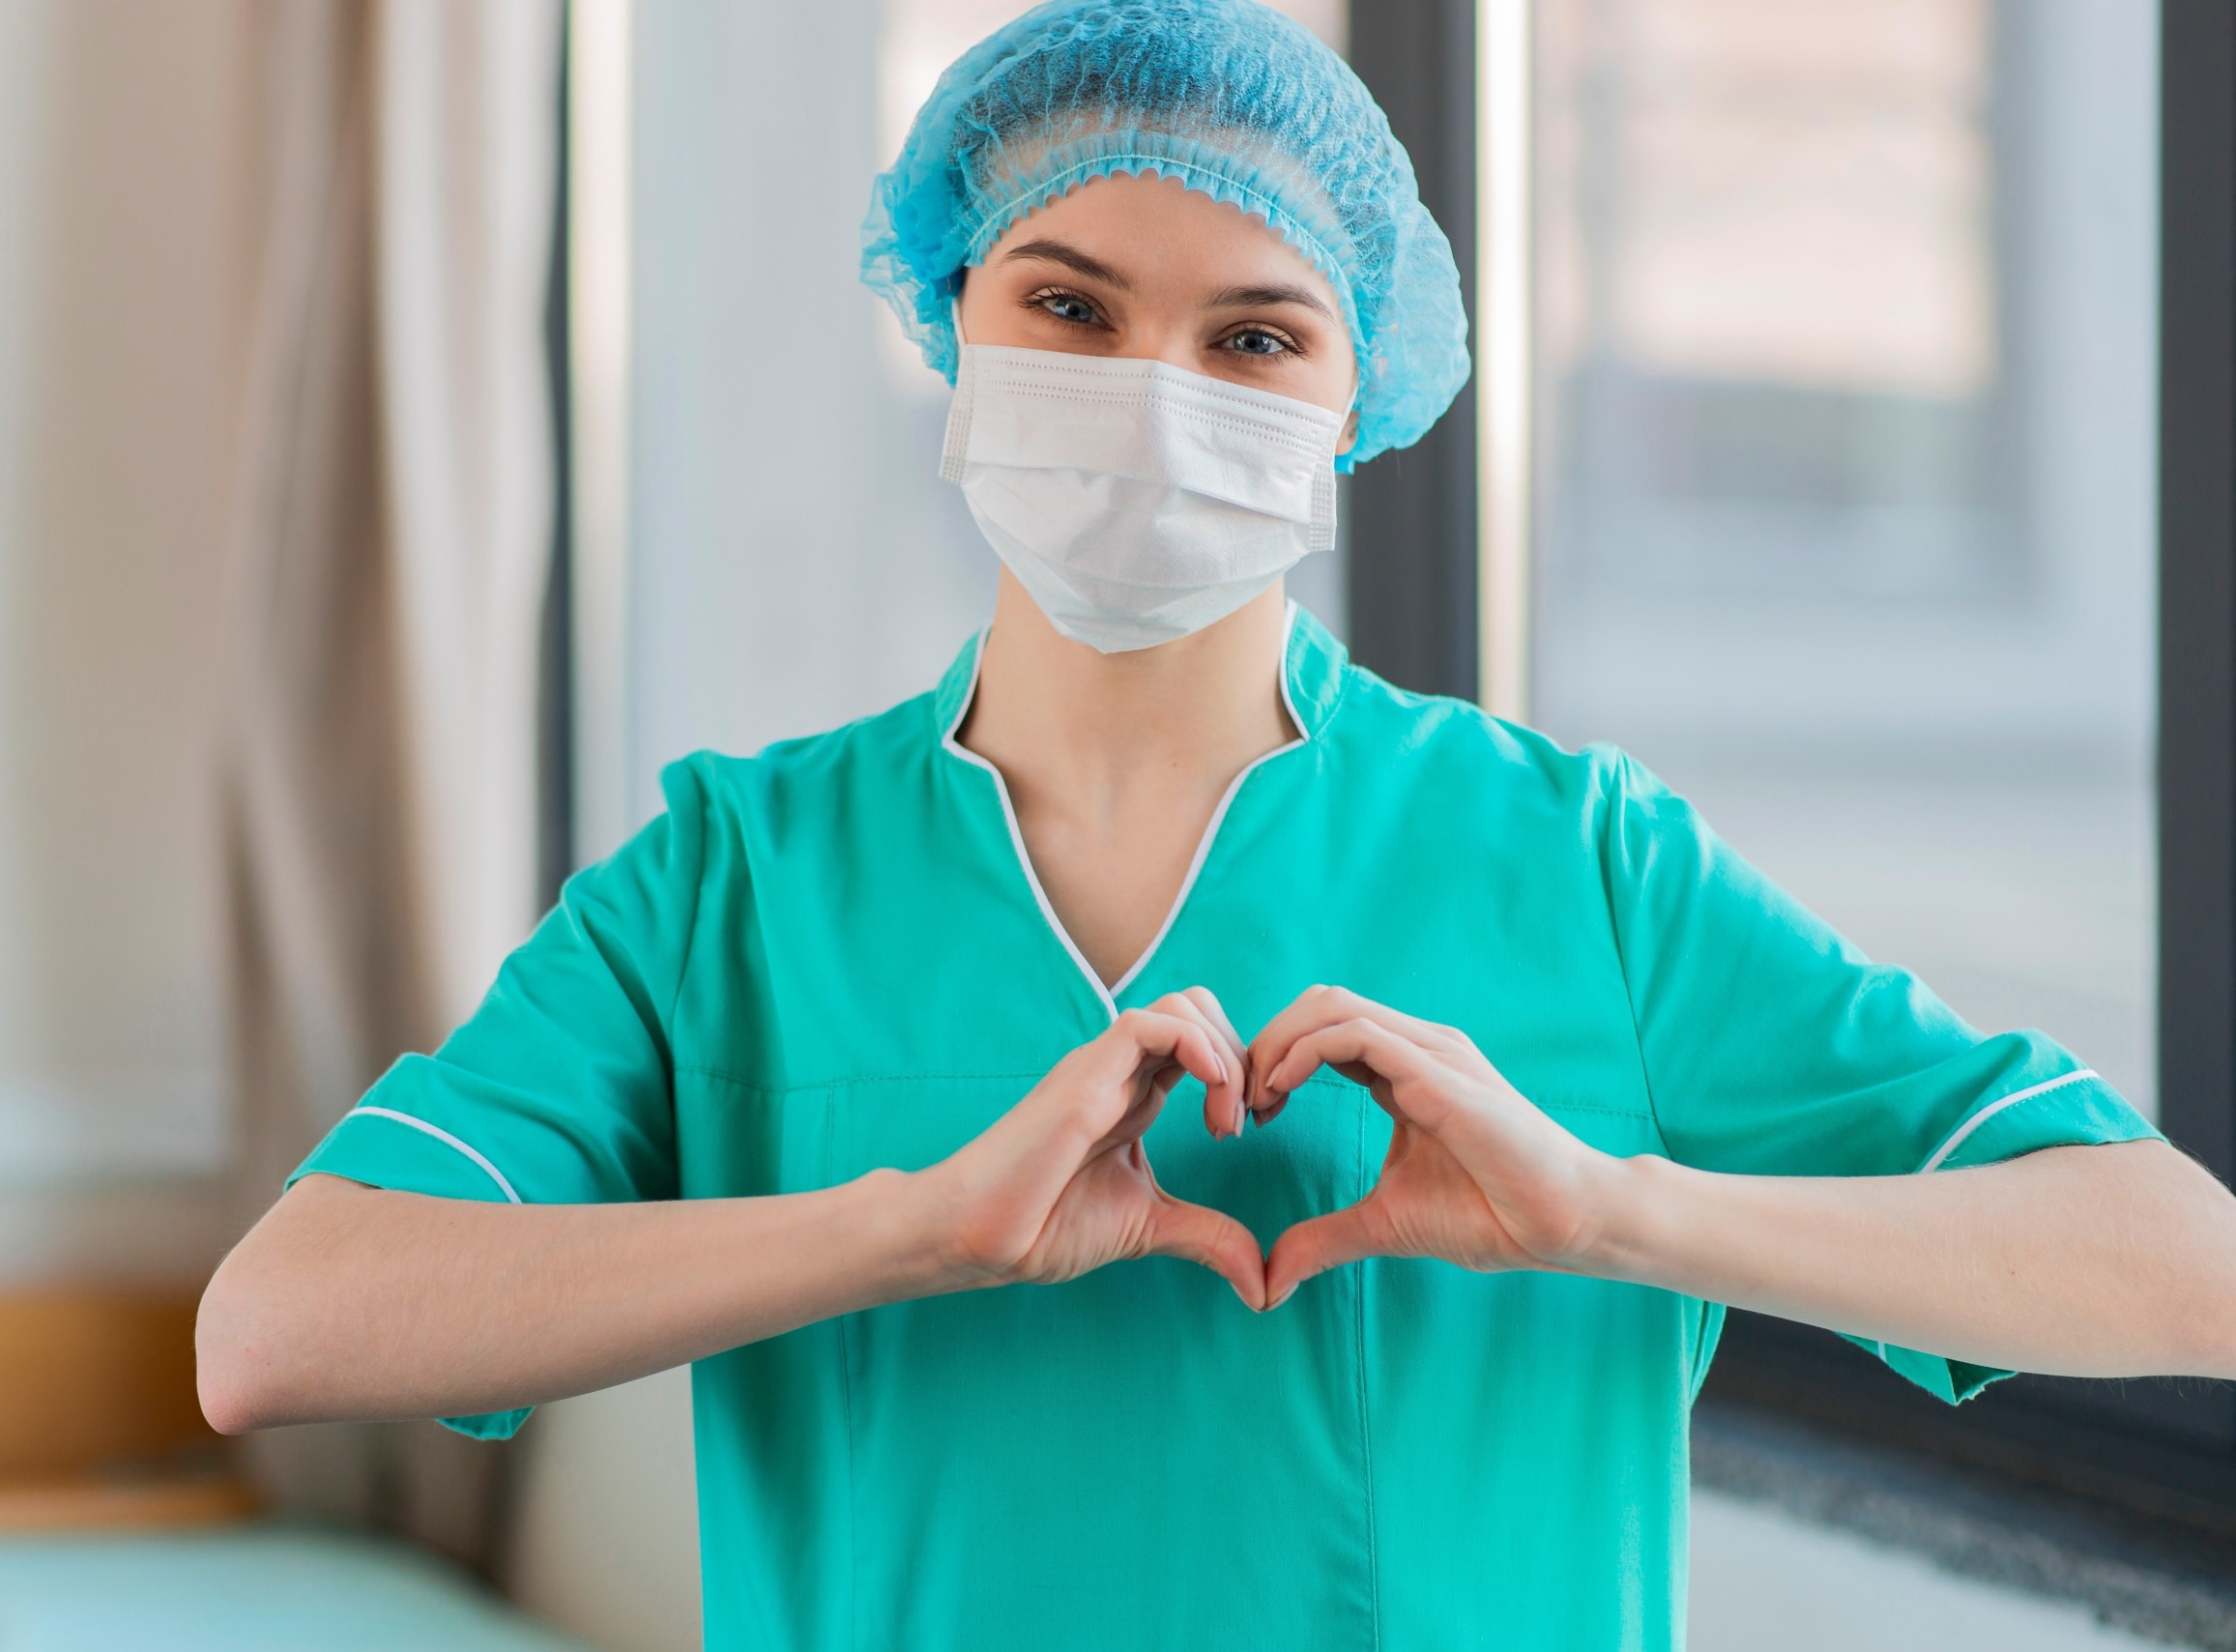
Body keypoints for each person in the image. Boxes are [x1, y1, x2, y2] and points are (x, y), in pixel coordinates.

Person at [195, 2, 2236, 1647]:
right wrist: (901, 1226)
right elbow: (278, 1330)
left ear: (1354, 403)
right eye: (1068, 307)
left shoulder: (1576, 866)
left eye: (1252, 337)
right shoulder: (730, 884)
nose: (1154, 394)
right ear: (945, 313)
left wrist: (1611, 1207)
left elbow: (2178, 1271)